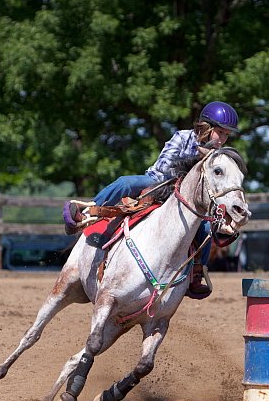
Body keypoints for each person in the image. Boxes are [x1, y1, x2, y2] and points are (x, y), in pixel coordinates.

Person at [63, 101, 240, 298]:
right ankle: (89, 211)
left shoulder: (217, 158)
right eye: (221, 133)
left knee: (205, 229)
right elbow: (165, 167)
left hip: (185, 203)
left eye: (226, 135)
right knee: (126, 183)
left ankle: (197, 272)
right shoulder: (183, 137)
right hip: (158, 184)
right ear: (207, 128)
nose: (223, 139)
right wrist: (195, 164)